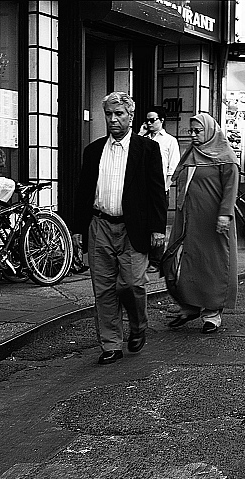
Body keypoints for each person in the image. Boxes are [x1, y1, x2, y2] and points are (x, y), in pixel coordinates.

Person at [74, 92, 167, 364]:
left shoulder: (148, 150)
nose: (113, 119)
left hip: (133, 228)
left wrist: (157, 228)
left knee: (131, 284)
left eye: (120, 114)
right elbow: (83, 192)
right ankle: (111, 344)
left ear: (130, 116)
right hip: (99, 225)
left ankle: (138, 326)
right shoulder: (93, 151)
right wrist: (79, 227)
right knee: (103, 289)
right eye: (109, 114)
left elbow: (156, 192)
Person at [165, 113, 239, 334]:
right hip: (189, 218)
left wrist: (225, 214)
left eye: (198, 131)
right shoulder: (192, 153)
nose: (194, 136)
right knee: (184, 262)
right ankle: (189, 307)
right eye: (192, 131)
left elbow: (230, 187)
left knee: (213, 264)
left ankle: (212, 314)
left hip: (214, 221)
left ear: (210, 131)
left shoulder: (226, 156)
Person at [139, 106, 181, 273]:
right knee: (142, 221)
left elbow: (173, 167)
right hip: (142, 187)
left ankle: (155, 260)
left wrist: (165, 187)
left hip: (160, 187)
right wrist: (141, 133)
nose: (149, 123)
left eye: (152, 120)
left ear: (161, 120)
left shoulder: (169, 140)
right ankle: (142, 256)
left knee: (158, 223)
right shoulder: (142, 138)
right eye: (147, 120)